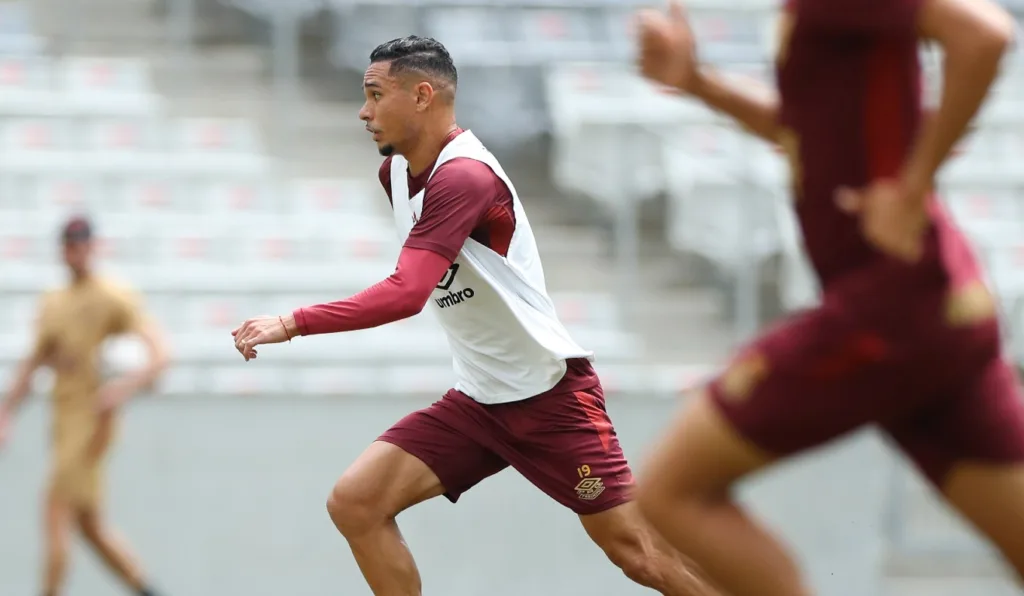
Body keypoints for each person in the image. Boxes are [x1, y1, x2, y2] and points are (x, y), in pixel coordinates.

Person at [230, 35, 718, 596]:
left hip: (549, 397)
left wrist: (293, 322)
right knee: (356, 502)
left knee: (640, 557)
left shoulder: (464, 177)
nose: (363, 111)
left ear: (421, 95)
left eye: (374, 94)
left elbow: (407, 293)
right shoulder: (395, 177)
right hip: (480, 400)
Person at [632, 0, 1024, 594]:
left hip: (885, 310)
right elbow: (808, 132)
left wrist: (913, 189)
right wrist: (699, 84)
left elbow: (985, 35)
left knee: (671, 491)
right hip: (935, 309)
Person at [0, 216, 170, 596]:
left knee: (54, 507)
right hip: (62, 423)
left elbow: (160, 355)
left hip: (92, 425)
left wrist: (120, 389)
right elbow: (35, 361)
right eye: (69, 244)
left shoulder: (113, 297)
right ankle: (149, 589)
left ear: (94, 247)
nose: (76, 251)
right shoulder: (54, 302)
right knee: (89, 525)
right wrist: (6, 411)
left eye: (82, 243)